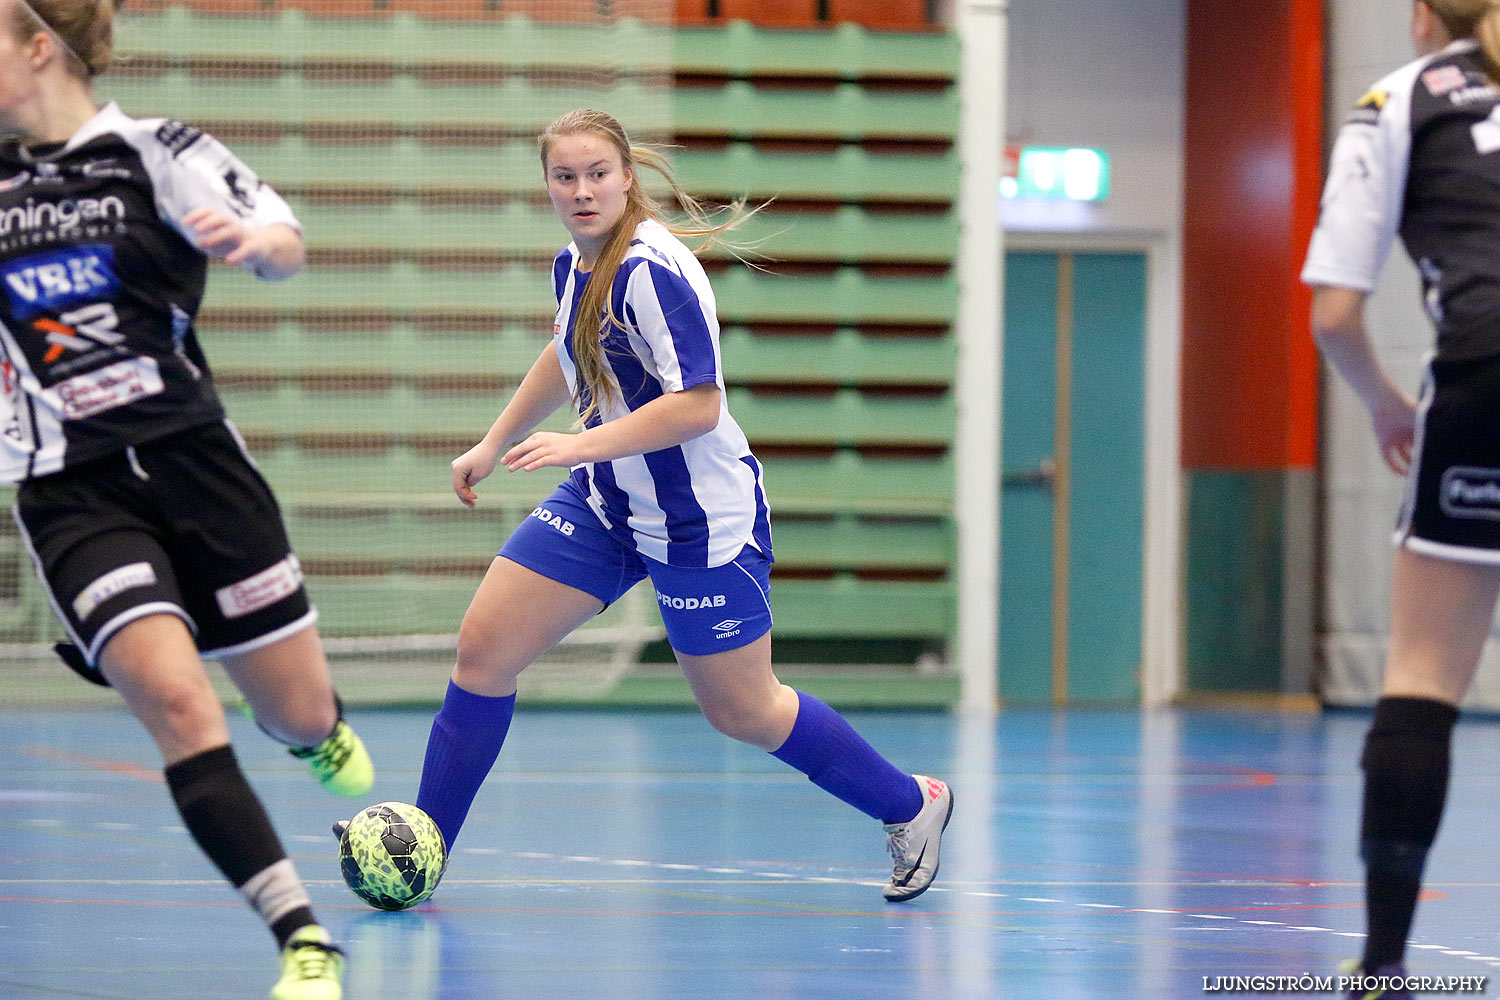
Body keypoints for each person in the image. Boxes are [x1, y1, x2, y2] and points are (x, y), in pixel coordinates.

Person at [391, 108, 952, 903]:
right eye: (564, 177)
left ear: (627, 177)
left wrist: (577, 443)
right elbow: (568, 351)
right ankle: (421, 849)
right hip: (607, 502)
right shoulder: (575, 265)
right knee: (484, 651)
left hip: (697, 521)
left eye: (596, 174)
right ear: (547, 185)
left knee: (745, 712)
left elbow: (697, 406)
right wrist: (495, 440)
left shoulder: (654, 271)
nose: (581, 191)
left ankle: (911, 804)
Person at [0, 1, 373, 997]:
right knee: (176, 699)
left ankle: (316, 726)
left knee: (293, 713)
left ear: (41, 44)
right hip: (69, 487)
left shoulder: (153, 149)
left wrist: (252, 241)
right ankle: (303, 936)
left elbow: (286, 239)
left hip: (195, 464)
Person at [1303, 2, 1500, 996]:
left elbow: (1335, 311)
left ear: (1423, 17)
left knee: (1423, 675)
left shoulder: (1400, 101)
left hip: (1481, 376)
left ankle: (1384, 965)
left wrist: (1387, 405)